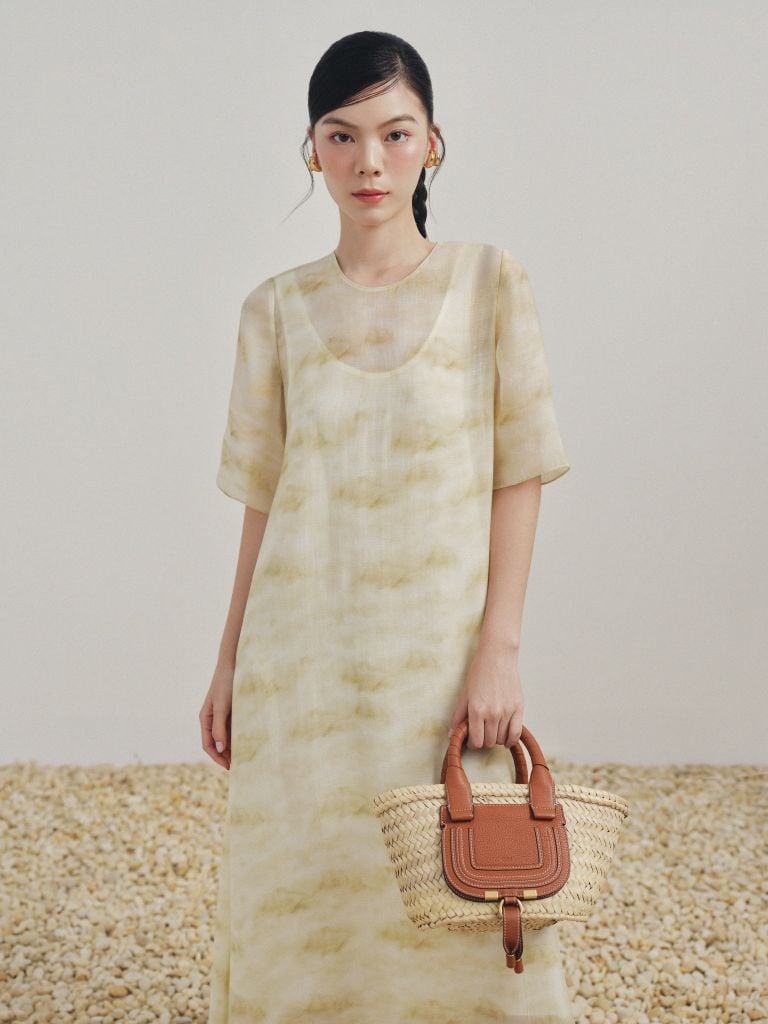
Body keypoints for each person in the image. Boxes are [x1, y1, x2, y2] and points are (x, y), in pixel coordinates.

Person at [200, 29, 575, 1024]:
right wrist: (229, 658)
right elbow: (265, 498)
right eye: (342, 135)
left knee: (470, 893)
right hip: (299, 674)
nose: (369, 161)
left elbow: (520, 472)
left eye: (395, 134)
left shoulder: (492, 284)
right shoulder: (272, 311)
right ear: (312, 151)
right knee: (303, 902)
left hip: (441, 665)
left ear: (432, 143)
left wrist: (500, 648)